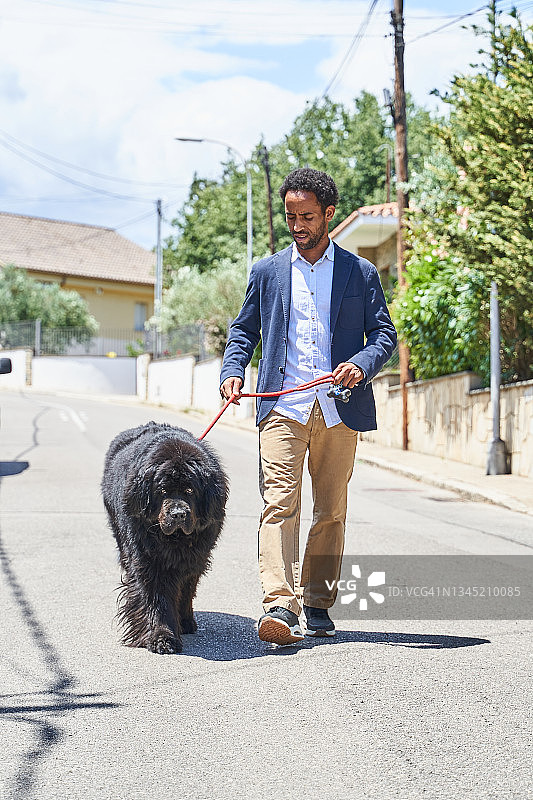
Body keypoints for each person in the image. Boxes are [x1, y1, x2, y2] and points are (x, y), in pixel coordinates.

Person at [220, 168, 397, 645]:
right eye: (290, 216)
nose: (297, 225)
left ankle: (317, 600)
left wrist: (361, 364)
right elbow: (243, 331)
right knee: (279, 502)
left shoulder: (360, 272)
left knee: (331, 509)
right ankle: (279, 603)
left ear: (328, 214)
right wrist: (232, 370)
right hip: (283, 406)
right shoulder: (268, 272)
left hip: (339, 409)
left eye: (307, 216)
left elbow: (384, 335)